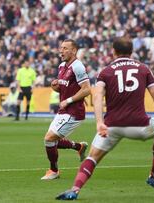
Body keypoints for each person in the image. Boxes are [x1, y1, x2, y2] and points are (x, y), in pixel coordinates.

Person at [56, 37, 154, 200]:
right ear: (131, 52)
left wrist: (100, 122)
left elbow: (97, 97)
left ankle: (75, 189)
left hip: (111, 127)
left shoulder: (105, 72)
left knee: (92, 158)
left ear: (113, 52)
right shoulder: (144, 69)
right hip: (140, 126)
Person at [41, 39, 90, 180]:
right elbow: (63, 88)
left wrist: (68, 100)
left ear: (74, 51)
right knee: (51, 140)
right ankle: (78, 147)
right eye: (61, 48)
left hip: (74, 111)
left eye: (65, 48)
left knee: (49, 139)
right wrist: (54, 86)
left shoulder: (78, 66)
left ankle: (53, 171)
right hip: (64, 111)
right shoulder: (62, 66)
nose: (61, 51)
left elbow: (87, 89)